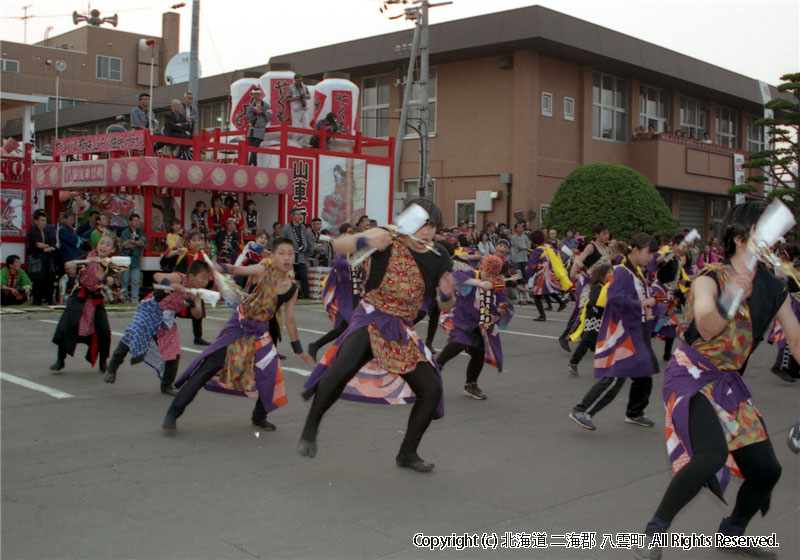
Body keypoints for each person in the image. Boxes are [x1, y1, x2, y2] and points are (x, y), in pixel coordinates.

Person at [634, 203, 796, 560]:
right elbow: (707, 326)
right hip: (692, 373)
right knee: (711, 455)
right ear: (739, 238)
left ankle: (732, 532)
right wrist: (732, 297)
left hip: (728, 383)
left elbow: (796, 340)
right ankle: (655, 532)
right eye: (762, 232)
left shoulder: (775, 288)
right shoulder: (710, 277)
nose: (776, 240)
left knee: (767, 470)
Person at [298, 199, 455, 472]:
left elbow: (445, 306)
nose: (428, 232)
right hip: (372, 315)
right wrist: (365, 235)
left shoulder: (439, 256)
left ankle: (407, 452)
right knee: (341, 370)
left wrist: (447, 294)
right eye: (423, 224)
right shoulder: (388, 240)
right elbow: (338, 246)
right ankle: (310, 428)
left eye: (433, 226)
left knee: (431, 389)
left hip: (401, 328)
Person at [162, 237, 314, 433]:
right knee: (208, 367)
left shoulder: (292, 289)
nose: (286, 258)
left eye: (290, 253)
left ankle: (259, 416)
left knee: (270, 374)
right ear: (272, 256)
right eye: (281, 253)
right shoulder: (262, 270)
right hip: (239, 326)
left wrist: (298, 349)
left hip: (261, 332)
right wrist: (220, 267)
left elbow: (290, 320)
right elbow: (237, 270)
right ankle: (173, 412)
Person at [567, 233, 659, 431]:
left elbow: (657, 267)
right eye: (648, 252)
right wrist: (640, 303)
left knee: (645, 371)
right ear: (635, 250)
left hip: (637, 329)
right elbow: (615, 298)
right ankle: (582, 409)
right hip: (624, 331)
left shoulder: (636, 272)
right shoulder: (623, 272)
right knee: (617, 374)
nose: (650, 257)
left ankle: (635, 412)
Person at [104, 260, 210, 393]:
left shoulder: (196, 293)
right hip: (150, 309)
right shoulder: (180, 278)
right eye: (203, 277)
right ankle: (112, 367)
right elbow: (157, 276)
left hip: (167, 319)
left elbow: (197, 314)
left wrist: (193, 304)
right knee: (134, 331)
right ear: (191, 276)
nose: (205, 282)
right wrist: (171, 285)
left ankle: (167, 385)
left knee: (174, 350)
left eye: (207, 279)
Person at [436, 254, 514, 400]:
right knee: (460, 341)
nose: (490, 279)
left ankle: (471, 385)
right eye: (488, 274)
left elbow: (502, 301)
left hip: (481, 324)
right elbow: (455, 276)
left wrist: (502, 308)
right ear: (482, 268)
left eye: (494, 276)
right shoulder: (472, 274)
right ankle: (437, 366)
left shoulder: (497, 284)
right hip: (462, 319)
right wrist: (479, 283)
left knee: (479, 353)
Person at [50, 235, 116, 373]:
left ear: (112, 249)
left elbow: (111, 280)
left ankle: (103, 361)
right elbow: (71, 265)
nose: (103, 246)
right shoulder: (87, 256)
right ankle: (60, 359)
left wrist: (102, 278)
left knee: (104, 331)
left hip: (96, 298)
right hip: (79, 295)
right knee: (66, 326)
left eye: (107, 244)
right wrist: (70, 266)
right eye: (101, 243)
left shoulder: (111, 264)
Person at [308, 223, 364, 361]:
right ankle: (337, 354)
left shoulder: (360, 256)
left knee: (346, 327)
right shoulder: (343, 256)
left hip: (356, 295)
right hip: (344, 295)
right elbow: (341, 268)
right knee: (349, 325)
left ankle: (319, 346)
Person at [559, 222, 611, 352]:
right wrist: (585, 270)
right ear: (596, 234)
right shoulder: (591, 247)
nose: (607, 236)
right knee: (583, 309)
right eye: (604, 233)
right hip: (587, 283)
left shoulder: (607, 249)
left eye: (607, 233)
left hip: (600, 285)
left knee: (598, 311)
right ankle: (566, 336)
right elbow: (578, 261)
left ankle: (591, 340)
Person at [566, 263, 612, 376]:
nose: (612, 274)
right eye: (609, 272)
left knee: (605, 343)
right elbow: (596, 301)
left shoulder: (608, 287)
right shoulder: (598, 287)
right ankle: (573, 362)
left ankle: (606, 366)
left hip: (604, 319)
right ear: (602, 275)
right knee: (586, 342)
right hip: (595, 319)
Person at [527, 229, 570, 321]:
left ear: (533, 240)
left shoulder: (537, 251)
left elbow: (532, 265)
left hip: (542, 275)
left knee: (537, 295)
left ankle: (542, 315)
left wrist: (529, 275)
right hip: (552, 272)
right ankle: (561, 302)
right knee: (549, 290)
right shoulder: (549, 246)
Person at [281, 208, 315, 299]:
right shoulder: (287, 227)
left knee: (304, 275)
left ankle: (307, 295)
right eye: (297, 214)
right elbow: (282, 240)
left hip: (300, 255)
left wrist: (305, 247)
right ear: (292, 215)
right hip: (290, 255)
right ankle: (287, 295)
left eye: (300, 214)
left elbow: (305, 239)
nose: (300, 216)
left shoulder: (302, 227)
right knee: (289, 276)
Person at [27, 209, 57, 305]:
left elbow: (53, 244)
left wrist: (45, 247)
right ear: (36, 221)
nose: (44, 223)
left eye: (45, 221)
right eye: (42, 221)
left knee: (49, 278)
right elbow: (37, 245)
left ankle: (49, 299)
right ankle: (37, 301)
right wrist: (45, 247)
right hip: (37, 258)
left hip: (47, 258)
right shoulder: (33, 231)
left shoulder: (47, 232)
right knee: (38, 280)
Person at [118, 213, 147, 303]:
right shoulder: (125, 232)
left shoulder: (141, 232)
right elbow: (125, 245)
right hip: (126, 257)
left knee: (136, 280)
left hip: (135, 258)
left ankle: (135, 298)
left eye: (138, 221)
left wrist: (132, 242)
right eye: (134, 221)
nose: (137, 223)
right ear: (130, 222)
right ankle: (124, 298)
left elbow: (143, 244)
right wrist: (136, 243)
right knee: (124, 279)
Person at [245, 88, 271, 166]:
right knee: (252, 149)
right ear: (252, 95)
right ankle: (255, 165)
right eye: (254, 94)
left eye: (257, 94)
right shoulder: (251, 106)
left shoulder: (266, 105)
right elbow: (247, 116)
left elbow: (269, 116)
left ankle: (249, 164)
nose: (256, 96)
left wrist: (262, 112)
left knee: (255, 148)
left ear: (260, 95)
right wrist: (254, 113)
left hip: (260, 129)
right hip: (252, 129)